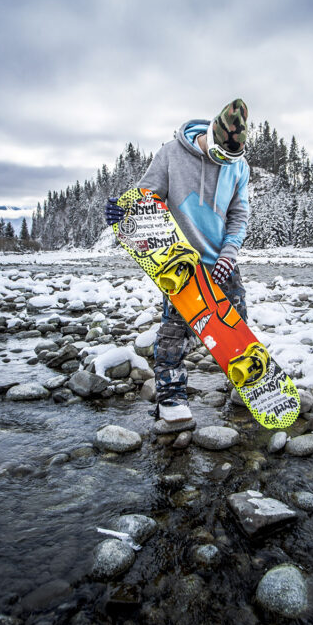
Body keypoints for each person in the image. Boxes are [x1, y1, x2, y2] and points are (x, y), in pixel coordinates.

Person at [105, 98, 250, 423]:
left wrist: (230, 252)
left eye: (230, 158)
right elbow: (145, 200)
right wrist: (120, 214)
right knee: (173, 332)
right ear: (211, 134)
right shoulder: (171, 154)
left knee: (237, 326)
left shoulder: (239, 165)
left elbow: (239, 214)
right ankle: (171, 400)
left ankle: (242, 385)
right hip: (182, 267)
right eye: (219, 154)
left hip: (223, 261)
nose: (223, 161)